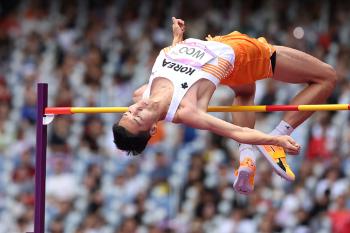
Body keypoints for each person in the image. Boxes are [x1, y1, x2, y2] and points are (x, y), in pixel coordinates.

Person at [113, 17, 336, 194]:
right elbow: (236, 131)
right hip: (246, 56)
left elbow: (178, 67)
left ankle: (247, 158)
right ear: (154, 129)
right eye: (138, 118)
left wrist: (177, 40)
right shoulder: (187, 111)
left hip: (221, 50)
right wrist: (275, 139)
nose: (136, 110)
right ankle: (281, 131)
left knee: (245, 95)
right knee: (326, 77)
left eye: (129, 112)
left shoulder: (142, 93)